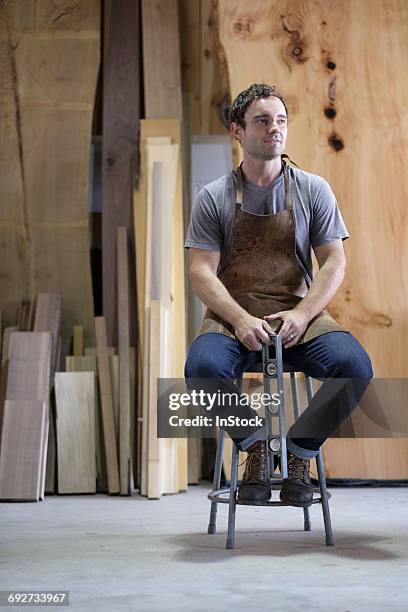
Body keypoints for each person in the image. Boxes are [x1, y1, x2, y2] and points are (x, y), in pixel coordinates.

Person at [184, 83, 373, 506]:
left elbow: (334, 263)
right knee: (201, 368)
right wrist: (237, 319)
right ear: (238, 130)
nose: (275, 129)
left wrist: (303, 315)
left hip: (297, 313)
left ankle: (299, 453)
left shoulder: (313, 189)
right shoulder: (213, 196)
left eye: (281, 120)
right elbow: (200, 270)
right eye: (263, 121)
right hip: (234, 316)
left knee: (355, 366)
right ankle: (254, 448)